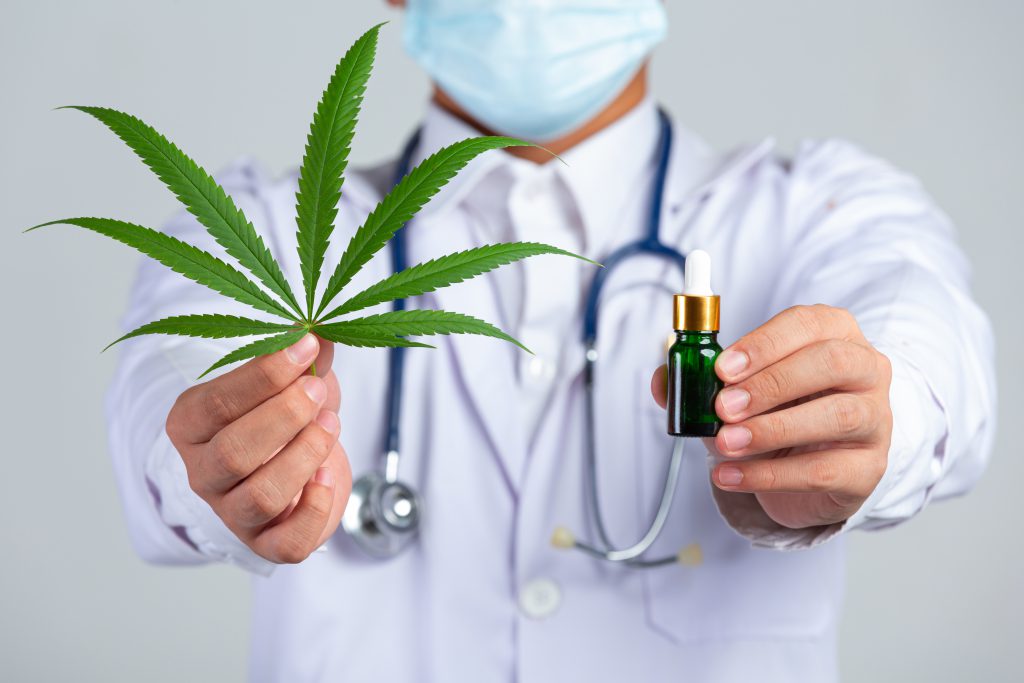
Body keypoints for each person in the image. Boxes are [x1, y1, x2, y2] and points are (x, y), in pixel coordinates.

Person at [106, 1, 996, 681]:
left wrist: (875, 417)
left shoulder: (816, 209)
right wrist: (212, 457)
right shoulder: (260, 231)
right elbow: (169, 381)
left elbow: (919, 321)